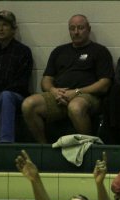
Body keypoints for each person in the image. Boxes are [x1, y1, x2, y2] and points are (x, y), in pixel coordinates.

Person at [21, 14, 113, 144]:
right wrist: (53, 91)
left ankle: (89, 148)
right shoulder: (59, 51)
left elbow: (104, 84)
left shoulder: (100, 51)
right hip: (59, 96)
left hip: (87, 96)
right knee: (28, 104)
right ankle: (44, 148)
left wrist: (76, 92)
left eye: (80, 28)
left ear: (88, 29)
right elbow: (46, 80)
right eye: (72, 28)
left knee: (75, 107)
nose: (76, 32)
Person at [0, 10, 33, 143]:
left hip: (14, 97)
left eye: (5, 25)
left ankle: (5, 144)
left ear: (13, 29)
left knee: (6, 96)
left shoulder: (23, 51)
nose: (0, 29)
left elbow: (20, 83)